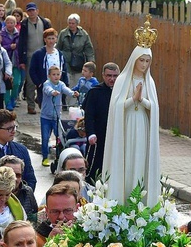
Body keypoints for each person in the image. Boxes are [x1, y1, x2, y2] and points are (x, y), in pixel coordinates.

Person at [105, 17, 160, 205]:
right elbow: (116, 107)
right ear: (134, 60)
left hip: (142, 125)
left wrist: (142, 100)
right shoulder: (122, 80)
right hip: (126, 125)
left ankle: (140, 201)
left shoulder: (149, 82)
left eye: (147, 61)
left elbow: (155, 109)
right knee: (127, 161)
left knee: (140, 161)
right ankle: (123, 199)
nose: (144, 64)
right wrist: (132, 100)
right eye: (141, 60)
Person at [82, 62, 118, 181]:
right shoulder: (94, 92)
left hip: (115, 137)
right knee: (94, 169)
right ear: (103, 75)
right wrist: (91, 133)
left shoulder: (122, 93)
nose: (112, 79)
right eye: (109, 75)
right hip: (98, 137)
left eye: (115, 76)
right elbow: (89, 115)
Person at [17, 2, 51, 115]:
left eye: (33, 10)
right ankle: (31, 106)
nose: (31, 12)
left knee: (44, 80)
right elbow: (21, 42)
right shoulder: (24, 24)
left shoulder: (45, 23)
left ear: (37, 11)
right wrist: (21, 60)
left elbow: (50, 38)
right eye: (29, 11)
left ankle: (42, 102)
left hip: (43, 55)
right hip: (29, 56)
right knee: (30, 82)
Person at [39, 65, 73, 166]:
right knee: (45, 137)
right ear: (49, 75)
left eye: (58, 74)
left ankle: (59, 157)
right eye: (54, 75)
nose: (56, 76)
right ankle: (45, 157)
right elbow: (47, 90)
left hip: (57, 117)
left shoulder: (61, 84)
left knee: (60, 137)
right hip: (45, 117)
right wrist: (52, 92)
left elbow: (66, 90)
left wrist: (72, 93)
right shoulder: (47, 84)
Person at [29, 28, 69, 111]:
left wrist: (65, 82)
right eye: (49, 38)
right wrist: (38, 83)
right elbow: (32, 70)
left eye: (53, 38)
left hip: (57, 85)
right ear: (45, 39)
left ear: (56, 39)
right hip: (45, 85)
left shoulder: (60, 54)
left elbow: (64, 69)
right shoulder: (38, 54)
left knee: (56, 109)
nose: (51, 41)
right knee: (45, 108)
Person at [57, 14, 95, 91]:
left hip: (79, 62)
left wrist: (91, 62)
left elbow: (88, 49)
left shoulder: (84, 34)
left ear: (77, 24)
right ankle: (67, 101)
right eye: (69, 23)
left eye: (73, 23)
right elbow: (58, 47)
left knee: (78, 82)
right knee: (67, 83)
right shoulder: (63, 33)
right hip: (66, 61)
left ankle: (75, 101)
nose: (71, 25)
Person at [35, 183, 78, 247]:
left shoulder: (89, 235)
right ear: (47, 211)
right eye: (55, 211)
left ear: (77, 208)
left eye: (67, 211)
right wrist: (49, 243)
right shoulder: (35, 241)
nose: (61, 217)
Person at [0, 154, 37, 223]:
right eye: (10, 174)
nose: (14, 178)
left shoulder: (28, 192)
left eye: (18, 175)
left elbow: (34, 220)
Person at [1, 15, 21, 111]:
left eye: (12, 22)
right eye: (8, 22)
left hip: (16, 61)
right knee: (7, 83)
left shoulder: (19, 34)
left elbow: (21, 47)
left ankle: (14, 98)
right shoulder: (1, 34)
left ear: (15, 23)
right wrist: (10, 47)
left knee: (17, 82)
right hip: (6, 62)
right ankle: (8, 102)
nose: (10, 24)